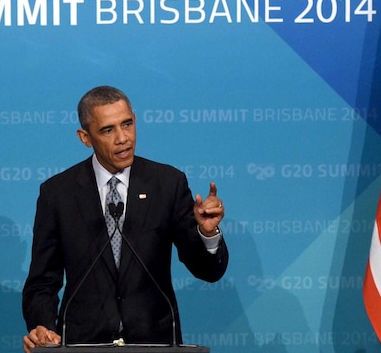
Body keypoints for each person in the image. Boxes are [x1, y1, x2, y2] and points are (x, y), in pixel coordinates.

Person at [22, 85, 228, 352]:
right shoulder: (58, 193)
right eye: (108, 130)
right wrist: (42, 326)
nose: (123, 138)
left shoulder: (167, 184)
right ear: (85, 137)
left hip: (153, 341)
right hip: (82, 342)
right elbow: (42, 281)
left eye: (127, 124)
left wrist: (208, 235)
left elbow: (208, 271)